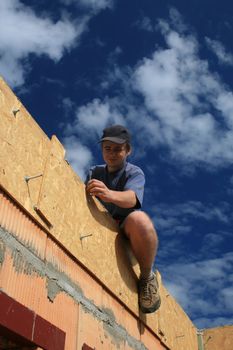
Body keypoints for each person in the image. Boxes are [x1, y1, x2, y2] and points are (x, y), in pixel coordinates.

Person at [86, 125, 161, 313]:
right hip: (97, 227)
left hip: (126, 234)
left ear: (128, 150)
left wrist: (108, 194)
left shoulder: (134, 172)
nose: (111, 154)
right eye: (107, 148)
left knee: (140, 220)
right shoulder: (94, 172)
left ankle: (146, 278)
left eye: (118, 149)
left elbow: (132, 199)